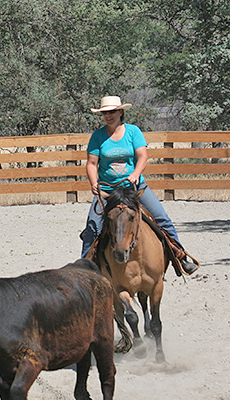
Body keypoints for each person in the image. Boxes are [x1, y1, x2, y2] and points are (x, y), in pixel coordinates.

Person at [80, 95, 198, 275]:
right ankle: (84, 269)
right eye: (105, 113)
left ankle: (180, 256)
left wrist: (135, 174)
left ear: (120, 112)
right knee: (92, 227)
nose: (108, 115)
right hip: (107, 192)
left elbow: (143, 156)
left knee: (161, 218)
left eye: (112, 112)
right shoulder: (98, 136)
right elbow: (91, 163)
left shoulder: (133, 132)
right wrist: (94, 183)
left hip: (134, 189)